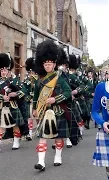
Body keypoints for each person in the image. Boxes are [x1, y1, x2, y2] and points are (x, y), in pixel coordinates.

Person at [32, 40, 72, 171]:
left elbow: (68, 93)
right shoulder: (40, 79)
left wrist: (55, 99)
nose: (47, 66)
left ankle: (58, 157)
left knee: (58, 138)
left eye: (50, 64)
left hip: (58, 111)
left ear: (54, 64)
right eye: (45, 64)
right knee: (43, 138)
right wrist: (34, 109)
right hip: (44, 111)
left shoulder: (60, 78)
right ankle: (41, 162)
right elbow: (36, 96)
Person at [0, 53, 26, 153]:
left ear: (8, 70)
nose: (3, 72)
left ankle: (16, 142)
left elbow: (24, 92)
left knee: (15, 125)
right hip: (2, 106)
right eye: (1, 70)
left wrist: (15, 94)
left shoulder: (15, 81)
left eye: (5, 70)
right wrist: (2, 97)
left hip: (13, 106)